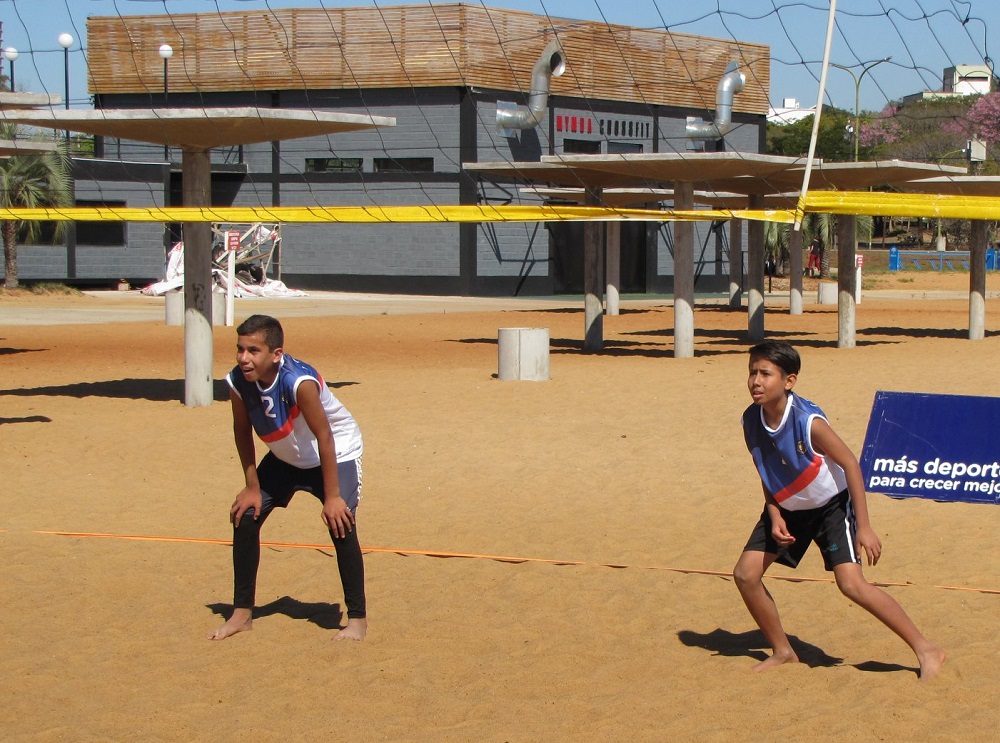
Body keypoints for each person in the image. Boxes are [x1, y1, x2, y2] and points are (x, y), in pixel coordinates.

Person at [732, 340, 944, 680]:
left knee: (851, 584)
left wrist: (865, 527)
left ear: (789, 380)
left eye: (765, 374)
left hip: (832, 506)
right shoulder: (750, 419)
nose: (756, 381)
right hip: (787, 507)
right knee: (746, 575)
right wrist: (774, 513)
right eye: (752, 372)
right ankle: (783, 651)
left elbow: (851, 464)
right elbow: (766, 471)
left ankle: (926, 649)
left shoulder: (808, 421)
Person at [207, 314, 368, 641]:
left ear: (276, 354)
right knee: (245, 516)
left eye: (253, 351)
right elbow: (242, 431)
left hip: (334, 452)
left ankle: (357, 620)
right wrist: (252, 486)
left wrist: (332, 497)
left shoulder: (298, 382)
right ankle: (242, 615)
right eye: (240, 349)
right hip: (286, 455)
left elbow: (325, 436)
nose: (243, 358)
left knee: (340, 522)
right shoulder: (237, 381)